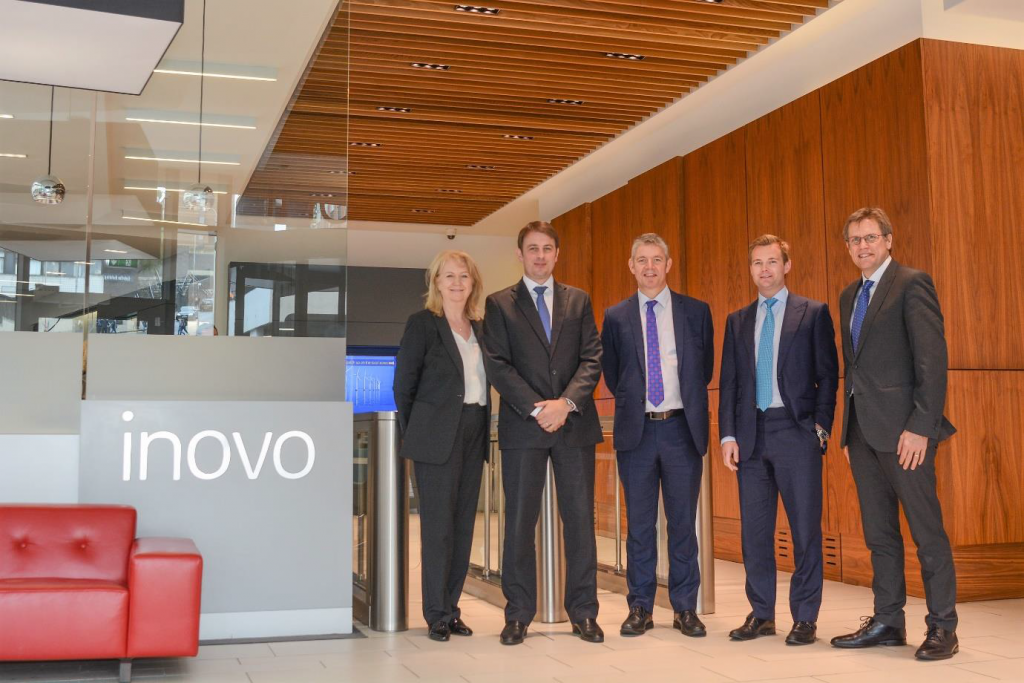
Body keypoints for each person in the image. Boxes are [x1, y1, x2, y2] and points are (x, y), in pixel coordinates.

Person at [830, 207, 958, 660]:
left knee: (927, 532)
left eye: (870, 237)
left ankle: (943, 626)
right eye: (854, 240)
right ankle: (888, 619)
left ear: (888, 240)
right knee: (879, 534)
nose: (862, 246)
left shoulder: (911, 283)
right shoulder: (849, 295)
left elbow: (931, 361)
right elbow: (854, 369)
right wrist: (847, 433)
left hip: (907, 435)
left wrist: (921, 427)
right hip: (862, 435)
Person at [482, 221, 604, 645]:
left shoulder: (579, 300)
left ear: (557, 253)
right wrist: (539, 408)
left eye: (547, 249)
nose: (539, 256)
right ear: (520, 254)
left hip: (573, 427)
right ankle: (518, 615)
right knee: (519, 523)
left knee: (580, 523)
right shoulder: (499, 304)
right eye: (532, 249)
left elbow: (592, 358)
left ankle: (584, 613)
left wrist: (565, 404)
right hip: (524, 427)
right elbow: (497, 364)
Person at [719, 235, 839, 645]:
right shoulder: (737, 320)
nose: (764, 269)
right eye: (757, 263)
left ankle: (805, 617)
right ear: (750, 269)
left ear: (787, 265)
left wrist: (820, 428)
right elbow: (730, 385)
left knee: (805, 529)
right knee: (755, 532)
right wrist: (728, 435)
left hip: (796, 432)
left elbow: (829, 375)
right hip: (751, 436)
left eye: (772, 262)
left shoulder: (813, 313)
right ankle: (762, 614)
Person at [600, 233, 714, 639]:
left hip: (682, 429)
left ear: (668, 264)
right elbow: (613, 375)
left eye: (657, 259)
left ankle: (685, 609)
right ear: (631, 266)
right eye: (641, 260)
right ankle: (640, 607)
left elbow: (704, 370)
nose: (649, 267)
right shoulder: (615, 316)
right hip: (637, 432)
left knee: (683, 525)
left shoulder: (696, 312)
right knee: (640, 526)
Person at [394, 250, 491, 642]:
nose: (456, 283)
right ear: (436, 282)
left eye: (463, 276)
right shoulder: (422, 325)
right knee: (438, 529)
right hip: (435, 436)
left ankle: (452, 609)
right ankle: (435, 612)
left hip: (474, 428)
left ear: (473, 284)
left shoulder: (482, 328)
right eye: (447, 276)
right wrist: (418, 431)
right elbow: (404, 386)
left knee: (464, 526)